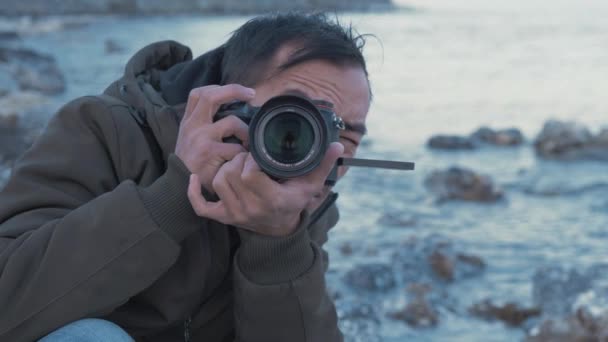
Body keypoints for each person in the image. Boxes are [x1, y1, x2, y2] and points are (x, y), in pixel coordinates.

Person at [0, 11, 371, 342]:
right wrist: (174, 195)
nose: (320, 153)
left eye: (347, 138)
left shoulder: (309, 196)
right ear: (228, 104)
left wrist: (276, 244)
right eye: (296, 121)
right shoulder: (102, 130)